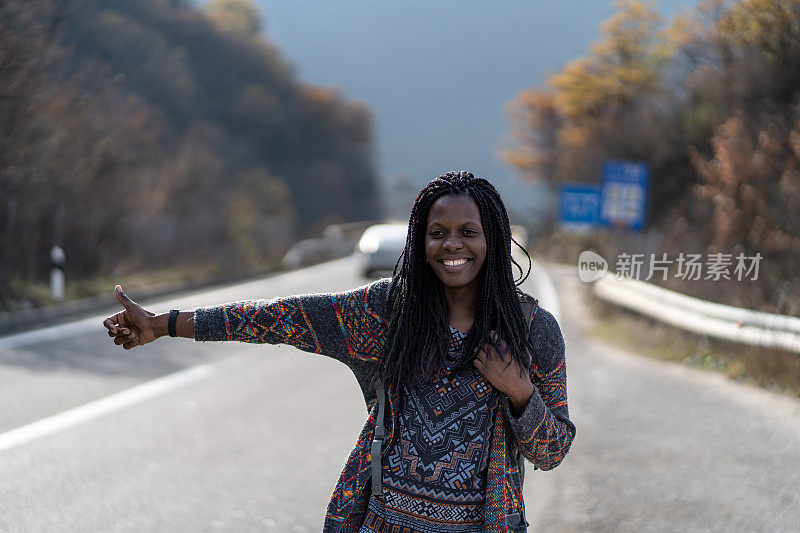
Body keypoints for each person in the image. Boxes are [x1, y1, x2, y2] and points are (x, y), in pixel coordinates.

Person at [103, 171, 575, 533]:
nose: (452, 244)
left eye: (468, 231)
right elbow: (275, 318)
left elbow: (552, 452)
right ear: (420, 239)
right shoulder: (386, 313)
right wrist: (165, 325)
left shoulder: (532, 331)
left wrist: (519, 392)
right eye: (438, 232)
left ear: (491, 237)